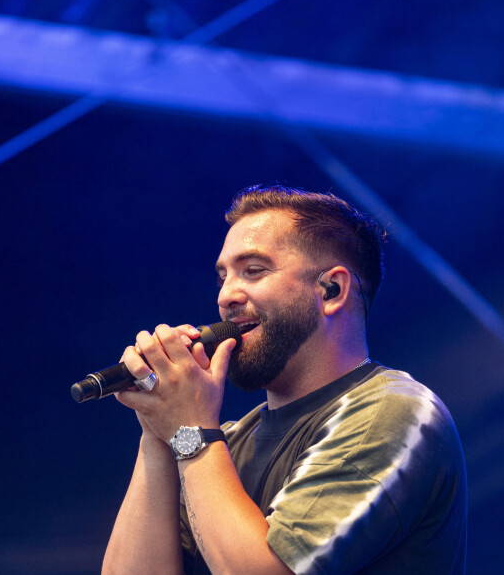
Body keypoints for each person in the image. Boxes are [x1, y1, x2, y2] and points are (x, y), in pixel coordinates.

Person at [102, 185, 467, 575]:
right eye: (222, 277)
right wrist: (158, 432)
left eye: (253, 270)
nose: (226, 296)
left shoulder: (393, 412)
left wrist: (188, 431)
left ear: (331, 290)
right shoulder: (223, 442)